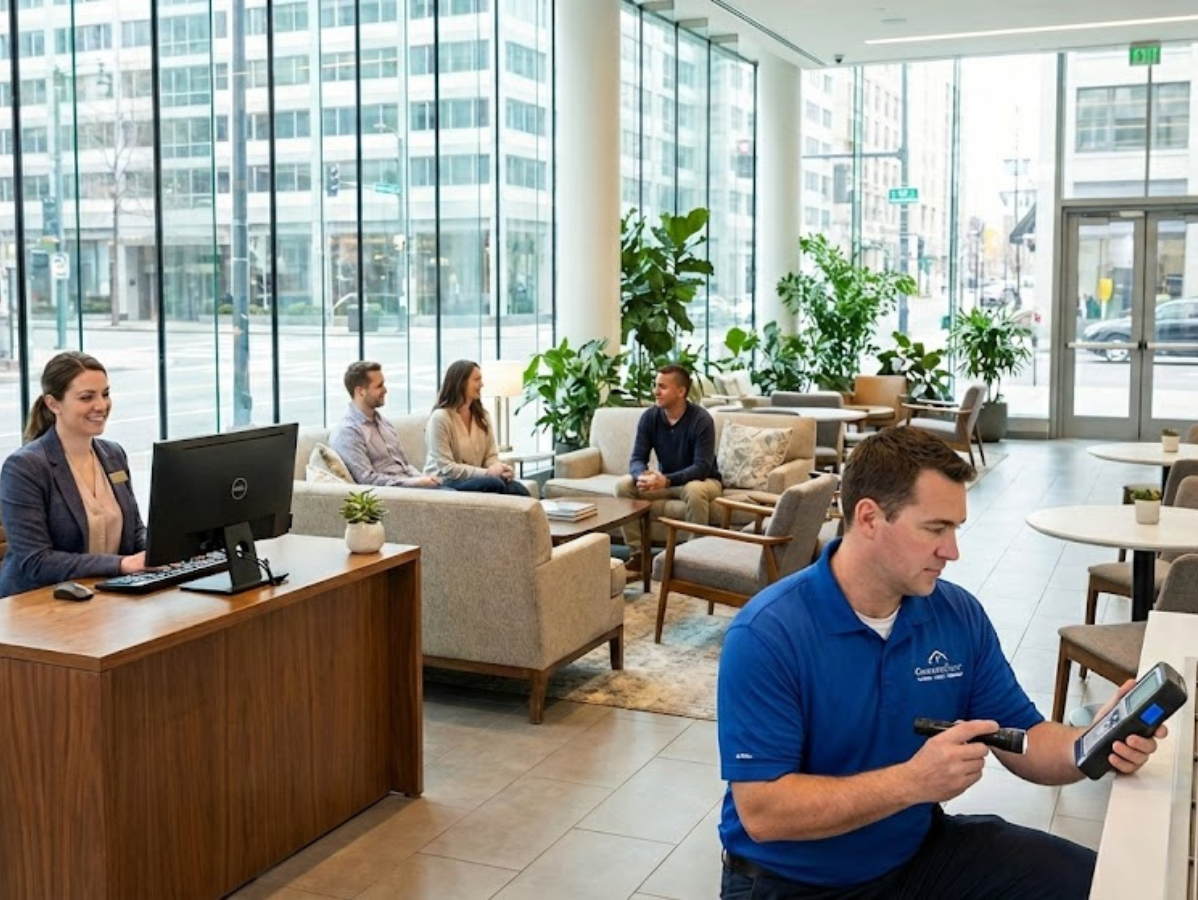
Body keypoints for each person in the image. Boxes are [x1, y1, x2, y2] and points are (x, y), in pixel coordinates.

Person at [717, 427, 1164, 899]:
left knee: (1105, 885)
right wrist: (912, 782)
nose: (952, 551)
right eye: (935, 528)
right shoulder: (768, 634)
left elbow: (1022, 736)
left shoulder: (955, 614)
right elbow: (763, 812)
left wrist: (1094, 743)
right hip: (793, 882)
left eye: (955, 529)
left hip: (916, 855)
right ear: (868, 517)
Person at [0, 351, 148, 596]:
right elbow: (35, 561)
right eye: (86, 397)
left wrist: (161, 552)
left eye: (105, 394)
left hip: (104, 597)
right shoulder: (25, 467)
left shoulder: (114, 454)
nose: (101, 405)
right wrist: (120, 565)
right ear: (53, 404)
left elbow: (134, 532)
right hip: (38, 604)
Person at [615, 365, 721, 558]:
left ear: (681, 391)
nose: (655, 392)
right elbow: (637, 458)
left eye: (662, 387)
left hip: (704, 480)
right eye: (655, 385)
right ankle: (638, 554)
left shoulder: (701, 419)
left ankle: (694, 558)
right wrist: (641, 475)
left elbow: (702, 467)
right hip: (666, 481)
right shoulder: (650, 417)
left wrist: (667, 480)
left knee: (694, 489)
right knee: (624, 485)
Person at [330, 361, 444, 489]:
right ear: (360, 391)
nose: (385, 390)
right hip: (393, 496)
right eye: (379, 386)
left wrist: (423, 479)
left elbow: (405, 466)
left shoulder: (384, 423)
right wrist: (415, 483)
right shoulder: (348, 432)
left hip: (413, 489)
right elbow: (367, 480)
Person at [424, 359, 530, 495]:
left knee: (517, 489)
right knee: (494, 483)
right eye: (477, 380)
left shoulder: (482, 416)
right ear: (461, 383)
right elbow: (447, 468)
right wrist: (488, 473)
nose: (482, 384)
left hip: (476, 479)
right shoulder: (440, 418)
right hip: (444, 481)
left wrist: (500, 468)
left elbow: (490, 456)